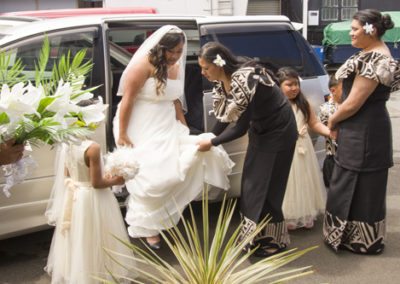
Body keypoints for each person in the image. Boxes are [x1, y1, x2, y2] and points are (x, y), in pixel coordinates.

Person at [113, 26, 234, 249]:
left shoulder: (176, 67)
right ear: (161, 47)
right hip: (139, 122)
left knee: (176, 167)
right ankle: (146, 227)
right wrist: (122, 133)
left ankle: (158, 218)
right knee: (151, 176)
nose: (176, 56)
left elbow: (175, 100)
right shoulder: (142, 66)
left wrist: (183, 126)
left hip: (166, 122)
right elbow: (127, 101)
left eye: (179, 51)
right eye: (172, 51)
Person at [197, 42, 297, 257]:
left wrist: (211, 143)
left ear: (218, 64)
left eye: (205, 68)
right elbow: (225, 117)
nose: (202, 73)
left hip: (279, 132)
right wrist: (210, 136)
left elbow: (240, 128)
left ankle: (275, 241)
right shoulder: (221, 81)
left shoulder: (244, 79)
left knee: (267, 188)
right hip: (261, 130)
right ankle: (256, 237)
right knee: (252, 186)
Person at [323, 9, 400, 254]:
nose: (351, 33)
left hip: (365, 129)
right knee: (348, 179)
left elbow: (355, 102)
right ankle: (348, 237)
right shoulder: (370, 54)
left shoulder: (376, 59)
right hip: (359, 126)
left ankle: (362, 240)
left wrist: (332, 121)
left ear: (371, 30)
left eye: (355, 29)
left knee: (360, 183)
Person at [44, 139, 136, 283]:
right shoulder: (93, 147)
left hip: (74, 196)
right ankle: (99, 272)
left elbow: (67, 173)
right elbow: (96, 183)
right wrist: (117, 181)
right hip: (91, 197)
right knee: (97, 234)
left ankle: (77, 273)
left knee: (79, 235)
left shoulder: (66, 144)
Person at [276, 67, 330, 230]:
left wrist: (329, 132)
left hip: (303, 146)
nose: (294, 88)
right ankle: (289, 214)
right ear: (279, 86)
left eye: (296, 84)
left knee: (305, 179)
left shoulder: (302, 103)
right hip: (286, 147)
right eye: (289, 84)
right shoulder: (276, 105)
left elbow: (314, 123)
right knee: (288, 182)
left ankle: (306, 212)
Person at [318, 75, 342, 187]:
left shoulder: (347, 105)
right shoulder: (326, 109)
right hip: (334, 158)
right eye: (345, 88)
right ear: (333, 90)